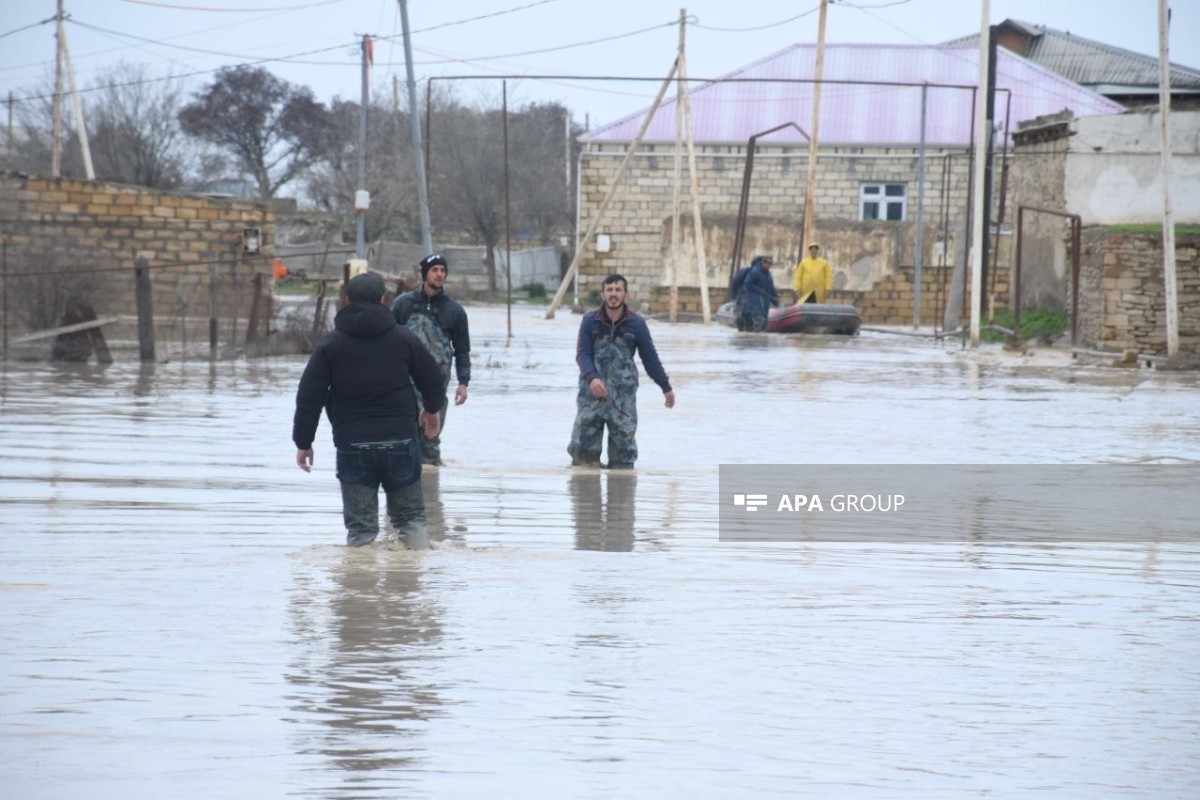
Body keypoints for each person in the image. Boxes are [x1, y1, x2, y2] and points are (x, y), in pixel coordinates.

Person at [293, 272, 446, 548]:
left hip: (353, 447)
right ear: (383, 300)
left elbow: (309, 397)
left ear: (346, 301)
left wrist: (304, 442)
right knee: (410, 519)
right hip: (401, 442)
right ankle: (417, 586)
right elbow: (432, 378)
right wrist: (432, 410)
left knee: (361, 531)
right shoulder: (404, 339)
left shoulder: (330, 345)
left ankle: (358, 587)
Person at [568, 273, 676, 469]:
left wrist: (665, 387)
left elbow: (650, 359)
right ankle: (585, 497)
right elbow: (582, 354)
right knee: (583, 460)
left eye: (618, 290)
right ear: (602, 294)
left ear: (625, 294)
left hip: (622, 401)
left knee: (623, 461)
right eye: (609, 290)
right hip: (591, 398)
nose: (613, 294)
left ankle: (621, 497)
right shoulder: (590, 321)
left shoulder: (637, 324)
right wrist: (592, 379)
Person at [391, 253, 471, 466]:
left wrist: (463, 383)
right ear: (425, 273)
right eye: (435, 270)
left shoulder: (455, 311)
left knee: (430, 441)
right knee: (402, 441)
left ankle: (431, 489)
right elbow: (387, 342)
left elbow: (462, 351)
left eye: (443, 271)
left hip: (435, 386)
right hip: (402, 383)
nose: (439, 274)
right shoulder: (402, 304)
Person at [739, 255, 780, 332]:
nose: (769, 266)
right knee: (760, 321)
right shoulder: (755, 271)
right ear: (763, 263)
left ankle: (759, 341)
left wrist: (775, 298)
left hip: (764, 303)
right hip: (754, 303)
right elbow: (747, 284)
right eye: (767, 263)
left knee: (763, 323)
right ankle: (755, 340)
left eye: (770, 264)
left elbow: (771, 287)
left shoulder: (768, 274)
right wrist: (759, 290)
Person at [727, 264, 751, 331]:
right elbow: (734, 285)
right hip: (741, 296)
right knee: (740, 314)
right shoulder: (746, 273)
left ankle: (741, 327)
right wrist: (733, 297)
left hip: (745, 296)